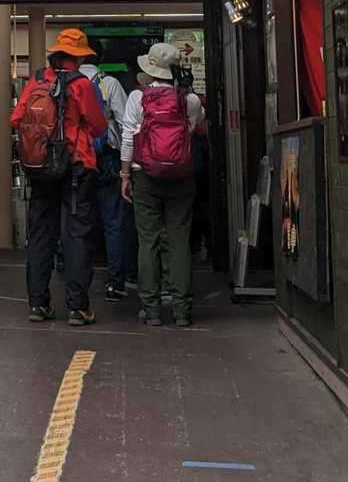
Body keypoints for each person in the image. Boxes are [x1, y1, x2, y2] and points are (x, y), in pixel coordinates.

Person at [13, 28, 107, 326]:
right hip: (75, 167)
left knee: (41, 235)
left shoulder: (38, 80)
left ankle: (38, 305)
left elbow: (16, 118)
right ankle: (78, 307)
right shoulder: (80, 84)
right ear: (78, 57)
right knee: (76, 234)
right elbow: (99, 126)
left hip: (40, 168)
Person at [121, 41, 205, 328]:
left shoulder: (137, 97)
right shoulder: (190, 100)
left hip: (145, 174)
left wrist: (125, 175)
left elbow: (128, 138)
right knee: (179, 240)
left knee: (148, 240)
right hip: (181, 176)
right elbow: (195, 126)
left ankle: (151, 308)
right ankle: (182, 310)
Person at [80, 49, 131, 302]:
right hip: (107, 157)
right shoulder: (109, 83)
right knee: (113, 221)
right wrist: (126, 164)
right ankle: (115, 282)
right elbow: (124, 123)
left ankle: (77, 281)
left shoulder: (67, 84)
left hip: (77, 159)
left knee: (78, 221)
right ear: (99, 61)